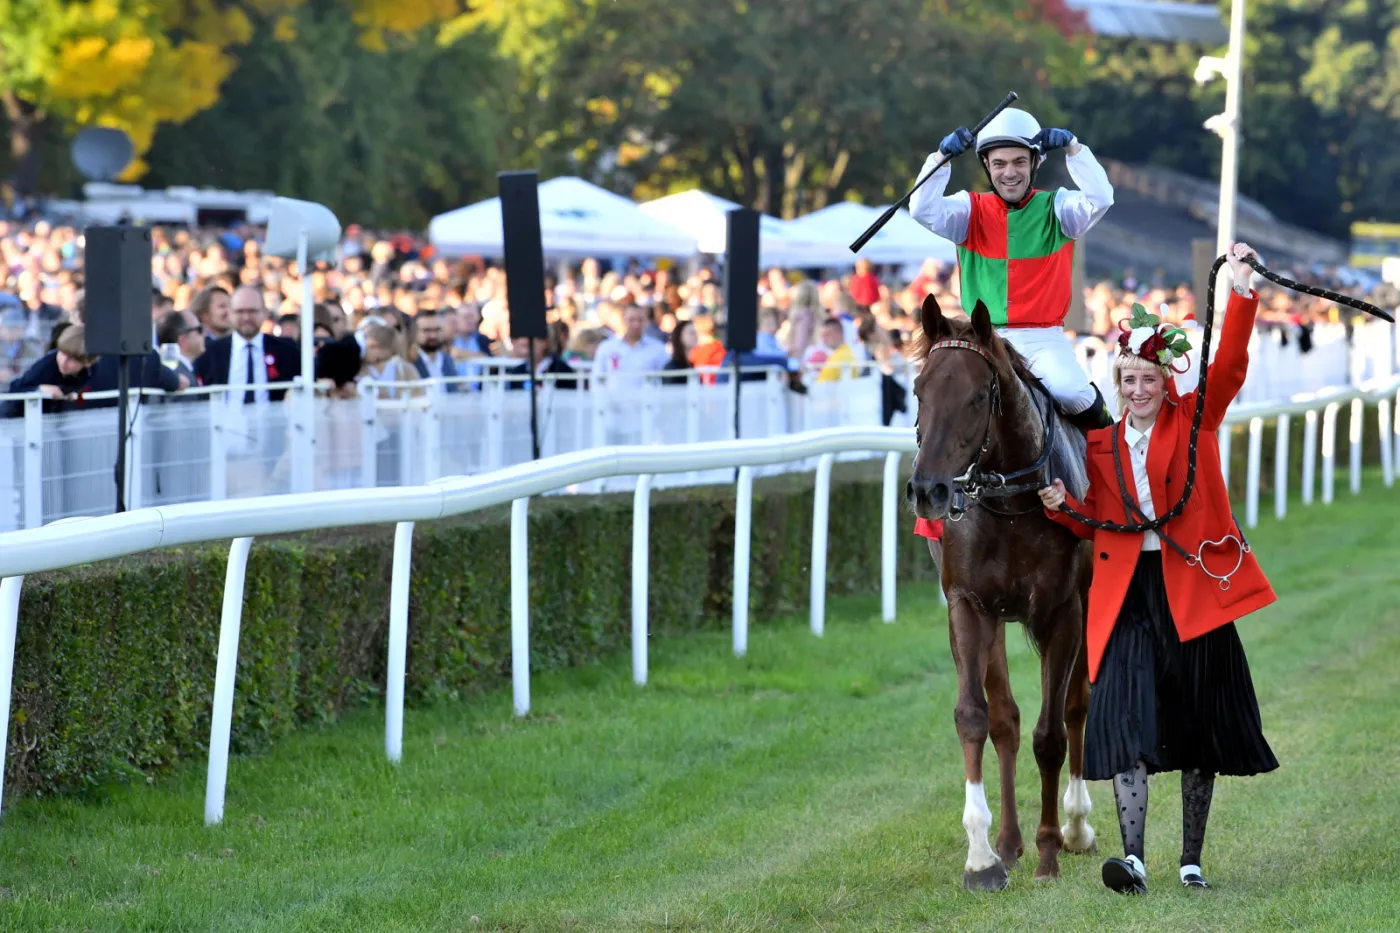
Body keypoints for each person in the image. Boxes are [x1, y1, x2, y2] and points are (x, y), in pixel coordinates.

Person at [1037, 242, 1279, 895]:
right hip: (1128, 598)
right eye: (1129, 382)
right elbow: (1098, 524)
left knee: (1199, 728)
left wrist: (1244, 291)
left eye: (1149, 379)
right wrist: (1064, 509)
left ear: (1164, 381)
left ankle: (1192, 860)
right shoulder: (1100, 445)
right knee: (1124, 721)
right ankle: (1134, 858)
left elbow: (1227, 367)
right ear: (1118, 387)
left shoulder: (1194, 424)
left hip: (1192, 592)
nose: (1139, 390)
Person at [909, 106, 1116, 550]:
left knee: (1075, 393)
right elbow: (921, 208)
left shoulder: (1059, 207)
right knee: (946, 400)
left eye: (1019, 162)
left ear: (1035, 164)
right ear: (986, 166)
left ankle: (1118, 483)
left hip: (1042, 338)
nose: (1009, 172)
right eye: (999, 163)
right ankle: (933, 514)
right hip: (984, 339)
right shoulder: (967, 210)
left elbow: (1101, 198)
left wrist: (1077, 150)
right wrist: (940, 159)